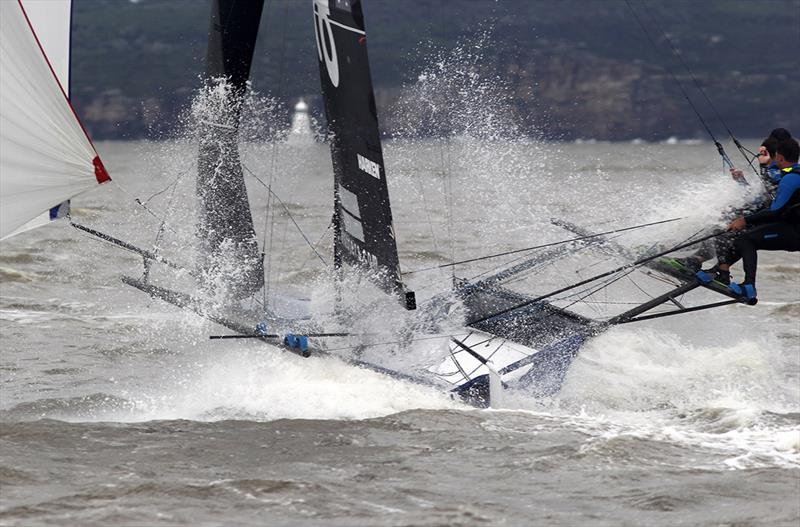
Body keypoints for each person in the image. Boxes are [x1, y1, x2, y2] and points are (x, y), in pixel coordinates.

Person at [699, 138, 800, 299]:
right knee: (742, 236)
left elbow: (775, 210)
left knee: (745, 239)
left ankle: (748, 286)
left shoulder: (791, 178)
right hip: (791, 227)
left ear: (780, 157)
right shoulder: (791, 174)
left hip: (795, 233)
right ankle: (720, 272)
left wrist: (745, 220)